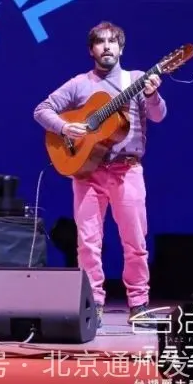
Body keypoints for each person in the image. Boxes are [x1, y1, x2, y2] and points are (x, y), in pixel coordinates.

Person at [33, 21, 166, 327]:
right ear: (91, 50)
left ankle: (138, 303)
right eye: (100, 42)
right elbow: (42, 110)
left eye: (112, 41)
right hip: (87, 174)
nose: (107, 46)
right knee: (88, 243)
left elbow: (158, 116)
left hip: (127, 170)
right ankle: (93, 305)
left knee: (135, 241)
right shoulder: (80, 84)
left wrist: (153, 96)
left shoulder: (137, 80)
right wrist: (65, 127)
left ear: (121, 48)